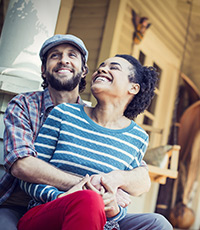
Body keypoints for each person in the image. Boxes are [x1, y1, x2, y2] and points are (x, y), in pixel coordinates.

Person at [0, 34, 151, 230]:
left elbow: (139, 176)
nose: (63, 60)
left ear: (83, 71)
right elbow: (22, 166)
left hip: (88, 210)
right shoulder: (25, 105)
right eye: (55, 55)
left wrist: (115, 183)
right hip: (18, 203)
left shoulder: (102, 120)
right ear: (43, 70)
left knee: (157, 222)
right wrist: (89, 186)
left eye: (72, 55)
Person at [18, 54, 173, 229]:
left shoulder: (138, 137)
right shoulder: (64, 114)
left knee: (159, 223)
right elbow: (28, 178)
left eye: (113, 67)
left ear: (133, 88)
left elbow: (121, 198)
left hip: (102, 221)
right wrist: (62, 197)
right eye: (101, 66)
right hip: (49, 212)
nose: (102, 69)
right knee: (89, 199)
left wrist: (114, 209)